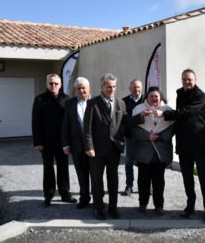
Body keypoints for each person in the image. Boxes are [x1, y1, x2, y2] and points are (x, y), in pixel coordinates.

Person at [83, 73, 143, 220]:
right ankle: (98, 208)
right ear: (102, 87)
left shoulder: (120, 103)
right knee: (97, 180)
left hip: (114, 149)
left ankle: (113, 208)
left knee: (113, 179)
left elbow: (126, 121)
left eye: (114, 86)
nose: (112, 89)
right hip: (96, 150)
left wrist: (141, 116)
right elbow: (87, 129)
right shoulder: (93, 104)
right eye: (108, 86)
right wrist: (89, 147)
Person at [159, 68, 205, 223]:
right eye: (184, 79)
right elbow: (180, 119)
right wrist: (168, 135)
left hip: (198, 144)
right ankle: (190, 206)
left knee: (204, 178)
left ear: (195, 80)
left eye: (189, 79)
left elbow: (187, 112)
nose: (187, 82)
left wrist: (165, 114)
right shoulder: (180, 94)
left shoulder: (201, 96)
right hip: (183, 144)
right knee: (187, 178)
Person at [32, 73, 77, 207]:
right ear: (47, 84)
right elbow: (35, 122)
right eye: (51, 83)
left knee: (63, 168)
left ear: (60, 85)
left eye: (56, 83)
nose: (53, 85)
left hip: (62, 142)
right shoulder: (39, 100)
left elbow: (70, 122)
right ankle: (48, 195)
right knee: (48, 169)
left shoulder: (67, 99)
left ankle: (65, 194)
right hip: (46, 142)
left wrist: (69, 141)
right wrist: (37, 142)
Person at [131, 86, 175, 215]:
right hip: (144, 151)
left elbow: (173, 128)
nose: (154, 98)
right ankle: (142, 204)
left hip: (160, 151)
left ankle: (159, 206)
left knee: (158, 180)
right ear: (147, 98)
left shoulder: (168, 110)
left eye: (156, 96)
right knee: (143, 179)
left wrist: (160, 136)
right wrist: (147, 136)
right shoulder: (138, 109)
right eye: (151, 96)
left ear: (160, 97)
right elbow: (133, 129)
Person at [61, 77, 92, 209]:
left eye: (83, 87)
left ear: (89, 88)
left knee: (95, 174)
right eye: (78, 88)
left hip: (94, 147)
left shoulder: (96, 102)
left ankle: (98, 200)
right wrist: (66, 144)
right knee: (81, 173)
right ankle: (84, 198)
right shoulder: (70, 103)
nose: (81, 90)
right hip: (77, 146)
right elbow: (65, 125)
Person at [121, 79, 144, 196]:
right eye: (134, 87)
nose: (137, 89)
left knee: (144, 162)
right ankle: (129, 185)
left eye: (139, 87)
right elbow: (125, 120)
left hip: (144, 137)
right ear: (130, 89)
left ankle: (145, 186)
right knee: (128, 161)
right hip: (130, 136)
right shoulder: (123, 102)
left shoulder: (146, 100)